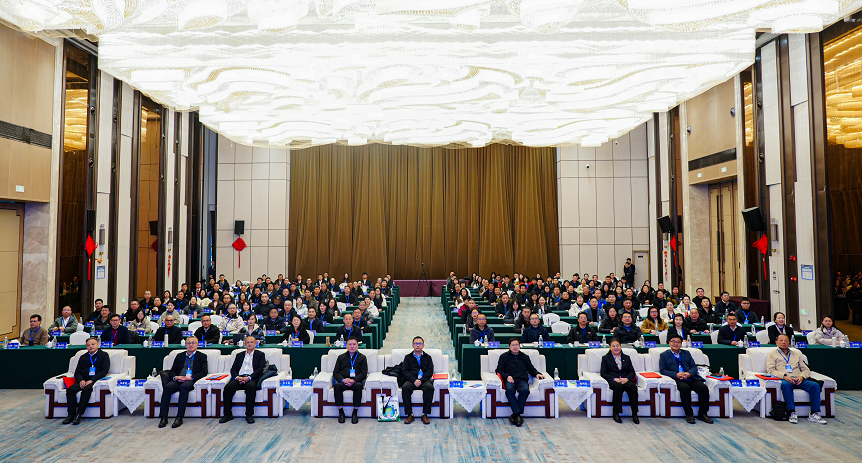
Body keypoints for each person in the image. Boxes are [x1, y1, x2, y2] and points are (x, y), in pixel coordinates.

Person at [766, 334, 827, 424]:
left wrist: (801, 377)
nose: (783, 342)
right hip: (785, 379)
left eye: (786, 340)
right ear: (776, 342)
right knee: (786, 385)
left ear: (789, 342)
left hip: (798, 379)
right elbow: (771, 370)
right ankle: (792, 412)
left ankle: (814, 413)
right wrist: (784, 376)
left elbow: (806, 369)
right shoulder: (772, 354)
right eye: (781, 340)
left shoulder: (796, 354)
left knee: (815, 385)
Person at [658, 334, 714, 424]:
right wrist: (676, 374)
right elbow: (663, 370)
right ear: (669, 343)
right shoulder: (664, 355)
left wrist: (689, 373)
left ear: (681, 344)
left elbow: (694, 367)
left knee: (703, 388)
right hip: (678, 379)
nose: (676, 344)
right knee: (685, 389)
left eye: (678, 342)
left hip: (690, 377)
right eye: (673, 341)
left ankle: (703, 414)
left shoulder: (686, 353)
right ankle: (689, 415)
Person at [158, 336, 208, 428]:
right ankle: (163, 417)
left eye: (193, 343)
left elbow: (204, 372)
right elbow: (172, 371)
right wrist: (176, 377)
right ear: (185, 345)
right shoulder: (179, 356)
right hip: (179, 379)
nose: (191, 345)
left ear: (197, 345)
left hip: (191, 380)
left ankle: (179, 417)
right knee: (168, 387)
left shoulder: (202, 356)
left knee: (183, 387)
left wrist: (191, 378)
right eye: (189, 343)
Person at [496, 339, 545, 426]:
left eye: (517, 345)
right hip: (510, 380)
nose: (515, 347)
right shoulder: (504, 357)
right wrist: (507, 376)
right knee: (509, 391)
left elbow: (531, 369)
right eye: (513, 345)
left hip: (522, 380)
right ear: (509, 346)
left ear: (519, 346)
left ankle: (515, 415)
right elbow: (499, 370)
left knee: (525, 390)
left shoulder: (525, 357)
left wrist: (537, 374)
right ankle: (518, 415)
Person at [219, 336, 266, 424]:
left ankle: (249, 415)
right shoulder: (239, 355)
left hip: (251, 378)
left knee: (251, 387)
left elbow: (260, 369)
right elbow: (233, 369)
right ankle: (227, 414)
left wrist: (249, 378)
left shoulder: (260, 354)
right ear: (245, 344)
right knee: (228, 387)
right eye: (248, 342)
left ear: (255, 344)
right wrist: (237, 377)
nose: (250, 344)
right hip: (239, 377)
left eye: (252, 342)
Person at [63, 337, 110, 425]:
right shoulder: (83, 357)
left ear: (98, 345)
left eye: (93, 344)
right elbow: (77, 372)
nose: (91, 346)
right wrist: (81, 380)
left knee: (87, 389)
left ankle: (79, 414)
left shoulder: (104, 355)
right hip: (83, 379)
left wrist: (92, 380)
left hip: (95, 380)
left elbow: (104, 371)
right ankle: (70, 415)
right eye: (88, 345)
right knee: (70, 390)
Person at [600, 338, 639, 424]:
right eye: (613, 346)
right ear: (610, 347)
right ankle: (616, 413)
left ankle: (635, 413)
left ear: (620, 346)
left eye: (617, 346)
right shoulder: (606, 358)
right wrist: (614, 379)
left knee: (632, 387)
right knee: (618, 387)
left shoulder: (626, 357)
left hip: (625, 379)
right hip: (613, 380)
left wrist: (626, 379)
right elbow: (603, 373)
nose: (616, 348)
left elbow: (632, 372)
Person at [401, 336, 435, 425]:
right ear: (413, 345)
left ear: (423, 345)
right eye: (416, 343)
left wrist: (421, 380)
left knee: (429, 388)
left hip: (424, 380)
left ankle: (425, 414)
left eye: (420, 343)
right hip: (411, 380)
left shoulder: (428, 357)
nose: (418, 345)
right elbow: (405, 371)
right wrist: (414, 380)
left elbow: (430, 371)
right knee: (405, 388)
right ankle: (409, 414)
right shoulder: (408, 357)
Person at [333, 337, 367, 424]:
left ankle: (355, 412)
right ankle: (341, 412)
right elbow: (335, 372)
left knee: (359, 386)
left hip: (356, 382)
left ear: (357, 346)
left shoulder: (362, 358)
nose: (352, 346)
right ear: (346, 346)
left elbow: (364, 373)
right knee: (337, 386)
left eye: (354, 344)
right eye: (350, 344)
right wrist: (343, 380)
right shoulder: (341, 357)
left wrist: (354, 380)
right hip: (343, 382)